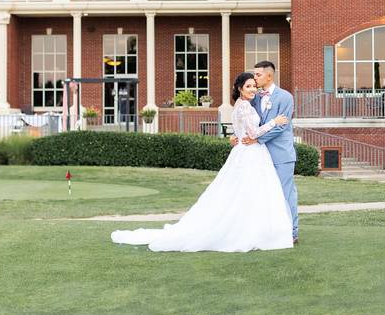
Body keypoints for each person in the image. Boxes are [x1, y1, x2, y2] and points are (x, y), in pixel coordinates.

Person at [110, 72, 293, 252]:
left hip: (246, 152)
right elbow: (253, 133)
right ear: (239, 88)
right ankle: (247, 232)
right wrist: (274, 122)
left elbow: (240, 131)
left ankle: (252, 230)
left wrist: (236, 137)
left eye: (254, 85)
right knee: (248, 193)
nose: (253, 89)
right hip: (250, 153)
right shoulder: (244, 106)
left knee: (244, 193)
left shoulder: (242, 104)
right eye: (248, 86)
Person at [232, 61, 299, 244]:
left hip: (281, 155)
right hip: (259, 156)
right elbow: (247, 122)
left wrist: (257, 139)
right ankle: (269, 231)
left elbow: (281, 126)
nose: (254, 78)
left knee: (285, 194)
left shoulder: (285, 97)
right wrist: (237, 135)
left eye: (258, 75)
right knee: (264, 195)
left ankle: (292, 232)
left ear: (269, 76)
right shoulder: (253, 97)